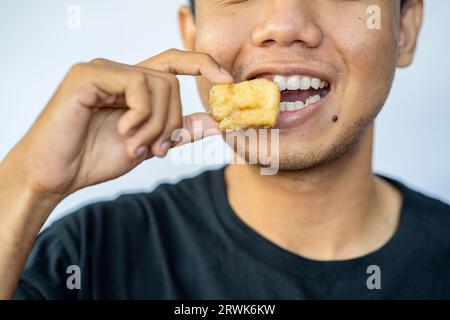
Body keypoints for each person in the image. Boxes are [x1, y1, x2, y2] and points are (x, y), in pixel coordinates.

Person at [1, 0, 449, 299]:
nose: (284, 25)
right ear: (191, 34)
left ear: (405, 31)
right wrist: (27, 184)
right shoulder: (87, 257)